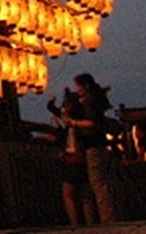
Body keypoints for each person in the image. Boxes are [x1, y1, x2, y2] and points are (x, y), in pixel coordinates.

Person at [62, 73, 117, 223]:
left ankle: (107, 218)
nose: (77, 89)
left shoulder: (90, 102)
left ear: (85, 85)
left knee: (98, 182)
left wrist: (73, 123)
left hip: (93, 145)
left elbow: (93, 123)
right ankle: (105, 216)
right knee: (98, 182)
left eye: (78, 86)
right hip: (97, 145)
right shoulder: (94, 100)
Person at [48, 88, 97, 226]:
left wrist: (51, 102)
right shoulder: (82, 119)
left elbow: (54, 110)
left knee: (68, 193)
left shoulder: (72, 123)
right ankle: (90, 221)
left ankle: (75, 223)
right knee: (85, 194)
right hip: (84, 159)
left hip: (73, 159)